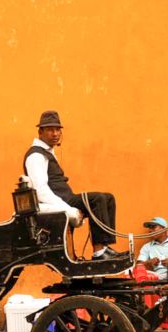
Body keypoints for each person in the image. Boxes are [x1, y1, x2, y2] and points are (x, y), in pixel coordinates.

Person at [23, 110, 123, 259]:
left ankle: (105, 247)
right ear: (40, 132)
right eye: (50, 130)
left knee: (108, 198)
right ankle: (99, 251)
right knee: (98, 199)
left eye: (57, 130)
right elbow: (40, 190)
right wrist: (67, 208)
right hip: (61, 201)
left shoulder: (47, 152)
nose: (55, 133)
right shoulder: (36, 155)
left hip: (66, 197)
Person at [137, 216, 168, 281]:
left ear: (163, 229)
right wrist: (149, 263)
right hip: (157, 278)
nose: (150, 230)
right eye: (149, 228)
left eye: (153, 227)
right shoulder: (147, 247)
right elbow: (138, 266)